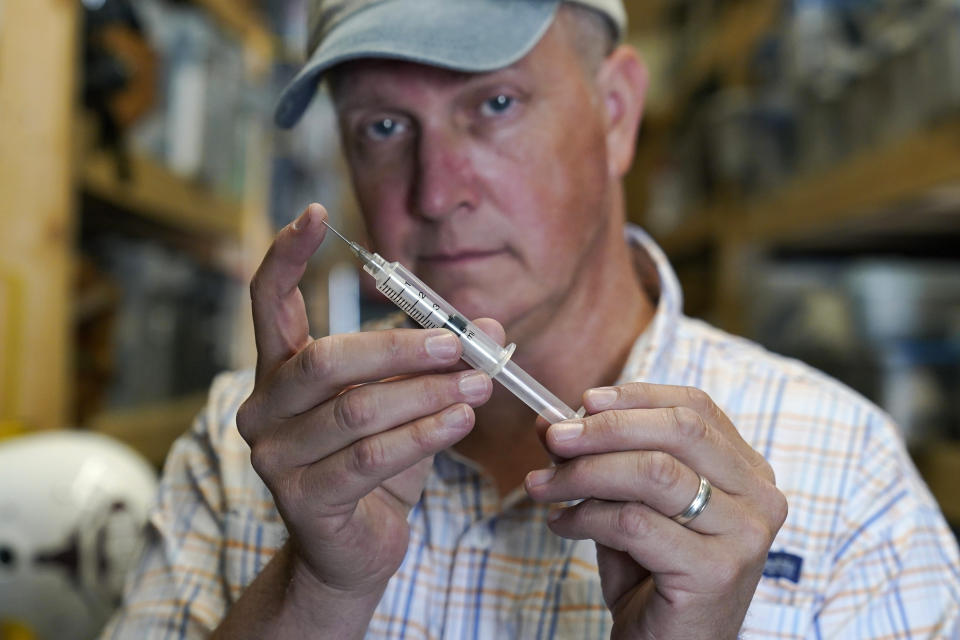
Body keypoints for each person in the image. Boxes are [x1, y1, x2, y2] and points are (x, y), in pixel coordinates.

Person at [100, 0, 960, 638]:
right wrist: (316, 592)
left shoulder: (849, 480)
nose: (435, 193)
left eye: (496, 105)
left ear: (616, 114)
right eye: (384, 126)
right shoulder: (245, 445)